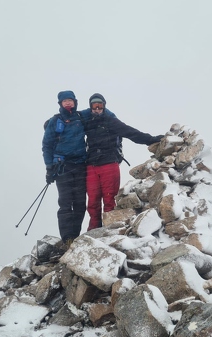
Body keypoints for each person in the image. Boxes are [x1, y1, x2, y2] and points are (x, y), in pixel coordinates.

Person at [84, 93, 164, 230]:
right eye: (94, 106)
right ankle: (93, 231)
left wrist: (150, 139)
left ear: (104, 106)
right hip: (91, 166)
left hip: (109, 163)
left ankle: (108, 230)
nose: (97, 108)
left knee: (109, 199)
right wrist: (52, 124)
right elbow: (70, 128)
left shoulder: (111, 121)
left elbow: (130, 132)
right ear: (90, 107)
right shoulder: (86, 122)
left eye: (100, 105)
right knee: (92, 201)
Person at [42, 90, 87, 245]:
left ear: (75, 102)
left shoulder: (81, 117)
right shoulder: (55, 121)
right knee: (66, 202)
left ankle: (75, 235)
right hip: (62, 167)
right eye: (65, 101)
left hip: (81, 165)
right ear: (60, 104)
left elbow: (101, 112)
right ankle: (68, 238)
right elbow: (47, 145)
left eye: (70, 100)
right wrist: (49, 167)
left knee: (80, 203)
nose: (68, 103)